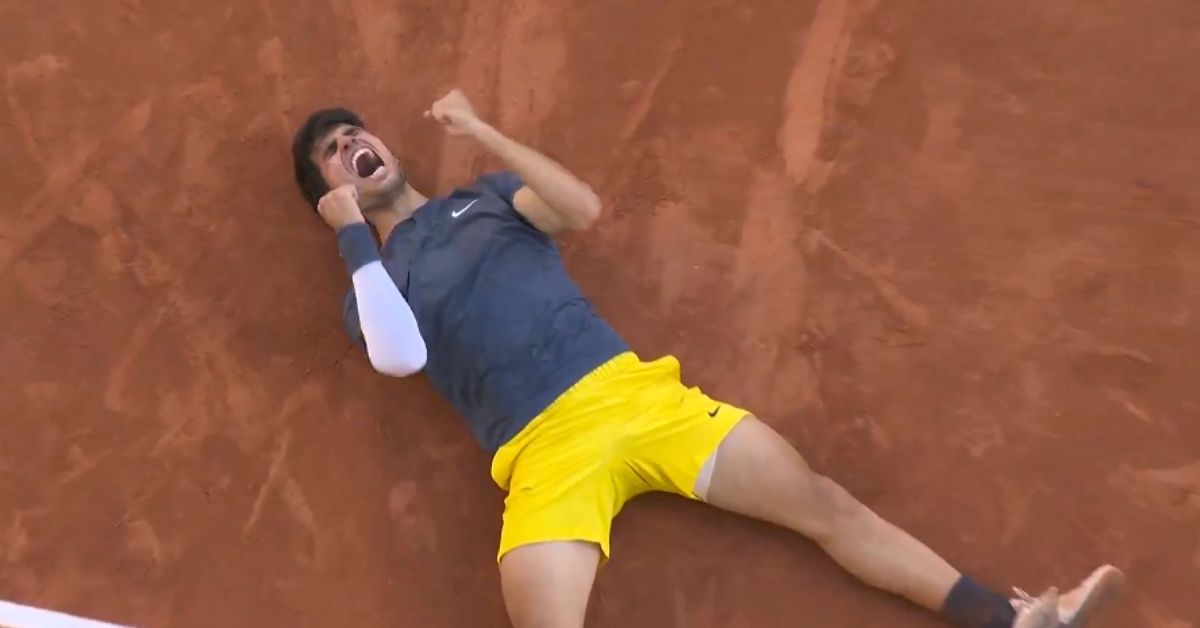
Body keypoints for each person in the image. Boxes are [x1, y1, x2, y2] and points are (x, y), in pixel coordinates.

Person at [290, 88, 1123, 628]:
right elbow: (398, 358)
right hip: (544, 453)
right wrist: (353, 237)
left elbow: (580, 208)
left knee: (823, 502)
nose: (350, 139)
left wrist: (481, 132)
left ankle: (1011, 622)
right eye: (332, 149)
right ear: (328, 189)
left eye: (352, 129)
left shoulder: (486, 198)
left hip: (637, 396)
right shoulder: (372, 286)